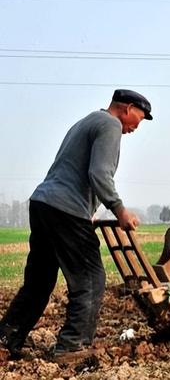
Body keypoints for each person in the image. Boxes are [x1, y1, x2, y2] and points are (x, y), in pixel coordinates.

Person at [0, 89, 152, 360]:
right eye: (137, 121)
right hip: (66, 210)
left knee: (39, 282)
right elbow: (99, 173)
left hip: (44, 204)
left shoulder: (87, 121)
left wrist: (89, 208)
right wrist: (119, 209)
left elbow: (71, 169)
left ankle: (6, 338)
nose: (134, 129)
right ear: (127, 109)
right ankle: (72, 345)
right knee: (91, 278)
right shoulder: (111, 124)